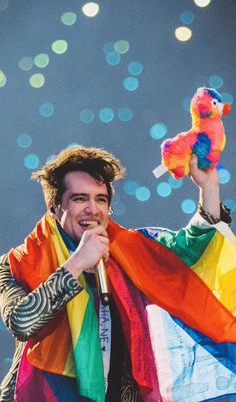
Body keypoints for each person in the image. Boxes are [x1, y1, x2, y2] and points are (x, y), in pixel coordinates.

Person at [0, 145, 233, 402]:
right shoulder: (15, 264)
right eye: (80, 199)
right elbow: (21, 322)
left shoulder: (129, 253)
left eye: (100, 199)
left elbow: (184, 253)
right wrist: (76, 264)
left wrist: (209, 188)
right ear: (55, 207)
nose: (92, 209)